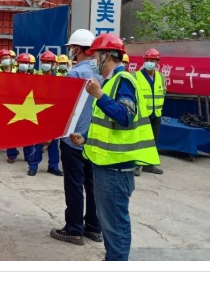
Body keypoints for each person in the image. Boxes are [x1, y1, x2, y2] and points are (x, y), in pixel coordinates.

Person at [70, 34, 159, 261]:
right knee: (109, 222)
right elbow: (107, 125)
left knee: (116, 224)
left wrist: (99, 96)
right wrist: (86, 138)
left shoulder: (123, 80)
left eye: (95, 56)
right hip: (106, 165)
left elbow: (125, 116)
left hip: (117, 169)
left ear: (107, 55)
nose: (93, 61)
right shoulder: (110, 82)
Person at [50, 29, 103, 246]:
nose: (71, 51)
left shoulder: (74, 74)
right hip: (93, 138)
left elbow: (65, 108)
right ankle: (93, 227)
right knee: (92, 185)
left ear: (78, 49)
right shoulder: (102, 75)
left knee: (74, 185)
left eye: (72, 48)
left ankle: (73, 229)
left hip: (73, 138)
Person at [24, 50, 63, 176]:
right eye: (44, 61)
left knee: (54, 142)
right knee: (37, 141)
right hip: (38, 112)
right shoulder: (36, 77)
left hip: (54, 113)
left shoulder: (60, 79)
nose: (46, 64)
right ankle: (33, 166)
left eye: (48, 62)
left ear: (54, 64)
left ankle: (53, 166)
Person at [134, 48, 165, 176]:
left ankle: (148, 164)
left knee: (152, 141)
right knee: (139, 140)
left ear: (157, 62)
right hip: (142, 114)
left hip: (156, 113)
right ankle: (136, 165)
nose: (150, 62)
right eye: (148, 60)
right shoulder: (136, 76)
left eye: (153, 60)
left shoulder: (161, 77)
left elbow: (163, 93)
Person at [6, 53, 37, 163]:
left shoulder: (33, 78)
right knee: (12, 132)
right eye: (22, 63)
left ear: (29, 65)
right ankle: (11, 154)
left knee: (28, 132)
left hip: (28, 108)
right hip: (15, 107)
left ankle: (28, 155)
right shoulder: (12, 77)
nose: (24, 65)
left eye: (26, 63)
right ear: (17, 64)